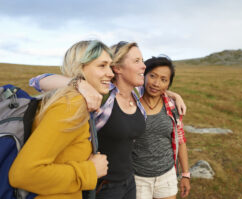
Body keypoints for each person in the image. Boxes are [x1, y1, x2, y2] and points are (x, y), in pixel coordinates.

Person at [29, 42, 187, 199]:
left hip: (129, 180)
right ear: (117, 68)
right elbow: (38, 80)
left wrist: (175, 96)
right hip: (103, 186)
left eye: (142, 60)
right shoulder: (101, 95)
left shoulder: (137, 92)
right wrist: (80, 84)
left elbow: (156, 87)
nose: (144, 66)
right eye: (137, 61)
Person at [8, 40, 112, 199]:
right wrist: (90, 171)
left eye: (110, 66)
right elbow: (23, 174)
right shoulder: (71, 104)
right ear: (80, 67)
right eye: (102, 65)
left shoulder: (74, 101)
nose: (110, 73)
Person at [132, 56, 191, 199]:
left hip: (167, 175)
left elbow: (181, 140)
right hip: (137, 178)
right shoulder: (130, 103)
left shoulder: (172, 106)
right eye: (152, 76)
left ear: (169, 84)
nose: (157, 83)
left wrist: (185, 174)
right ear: (144, 75)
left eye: (164, 80)